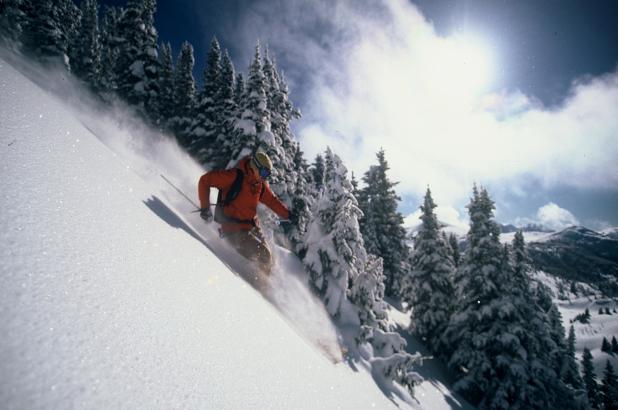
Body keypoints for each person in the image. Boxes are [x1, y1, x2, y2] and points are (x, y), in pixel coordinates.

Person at [197, 151, 295, 277]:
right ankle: (256, 288)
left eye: (268, 174)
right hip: (233, 230)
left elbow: (272, 201)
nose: (265, 177)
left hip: (252, 227)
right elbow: (205, 180)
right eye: (264, 173)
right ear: (255, 167)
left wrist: (288, 214)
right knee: (264, 256)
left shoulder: (259, 185)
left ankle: (264, 282)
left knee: (269, 257)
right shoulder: (235, 176)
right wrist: (205, 207)